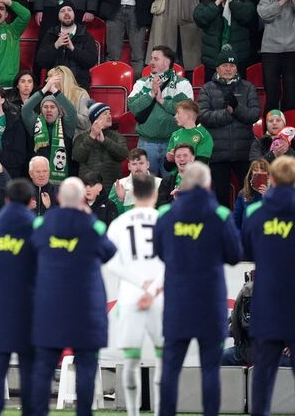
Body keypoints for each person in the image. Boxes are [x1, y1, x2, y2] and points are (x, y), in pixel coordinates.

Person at [153, 161, 243, 416]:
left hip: (177, 302)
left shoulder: (167, 215)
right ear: (207, 184)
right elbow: (235, 255)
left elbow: (159, 251)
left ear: (184, 185)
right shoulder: (220, 215)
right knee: (210, 370)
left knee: (170, 368)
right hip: (209, 302)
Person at [243, 155, 295, 416]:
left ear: (272, 179)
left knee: (263, 377)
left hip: (267, 305)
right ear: (294, 179)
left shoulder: (255, 214)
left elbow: (245, 249)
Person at [29, 176, 117, 416]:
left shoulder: (44, 223)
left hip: (51, 304)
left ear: (58, 198)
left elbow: (31, 250)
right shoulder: (92, 224)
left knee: (44, 365)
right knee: (86, 365)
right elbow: (109, 252)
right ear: (81, 199)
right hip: (85, 305)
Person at [105, 174, 164, 416]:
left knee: (131, 359)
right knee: (163, 358)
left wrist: (139, 283)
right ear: (155, 193)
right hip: (159, 295)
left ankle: (132, 413)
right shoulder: (164, 220)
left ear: (131, 193)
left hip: (130, 294)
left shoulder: (119, 223)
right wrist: (151, 288)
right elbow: (175, 261)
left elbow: (111, 262)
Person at [0, 178, 36, 416]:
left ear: (7, 199)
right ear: (30, 201)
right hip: (29, 305)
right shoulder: (37, 229)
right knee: (28, 366)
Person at [197, 46, 261, 206]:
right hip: (217, 154)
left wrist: (237, 109)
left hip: (244, 153)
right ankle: (223, 229)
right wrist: (227, 113)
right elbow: (203, 116)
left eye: (232, 65)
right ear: (217, 67)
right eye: (224, 65)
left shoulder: (248, 88)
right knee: (220, 198)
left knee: (250, 195)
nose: (228, 68)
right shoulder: (207, 88)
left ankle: (248, 227)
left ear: (237, 68)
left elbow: (255, 115)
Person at [128, 45, 193, 177]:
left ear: (167, 62)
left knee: (171, 188)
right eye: (151, 58)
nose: (151, 62)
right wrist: (151, 94)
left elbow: (187, 113)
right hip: (146, 144)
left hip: (174, 144)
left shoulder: (183, 84)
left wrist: (163, 101)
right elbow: (133, 107)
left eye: (155, 59)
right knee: (145, 189)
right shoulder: (141, 83)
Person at [194, 0, 258, 81]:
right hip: (213, 62)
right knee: (212, 96)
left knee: (239, 97)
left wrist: (232, 0)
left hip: (237, 61)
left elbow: (246, 16)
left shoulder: (245, 3)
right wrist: (217, 2)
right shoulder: (207, 4)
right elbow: (200, 19)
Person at [21, 75, 80, 184]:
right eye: (45, 107)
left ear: (59, 110)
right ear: (41, 109)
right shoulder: (35, 123)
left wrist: (54, 90)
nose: (49, 110)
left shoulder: (66, 125)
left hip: (61, 180)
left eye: (52, 107)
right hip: (37, 177)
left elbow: (72, 112)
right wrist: (44, 89)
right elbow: (26, 109)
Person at [34, 0, 98, 90]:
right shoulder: (51, 34)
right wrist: (56, 45)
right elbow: (41, 61)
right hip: (55, 86)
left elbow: (91, 61)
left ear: (74, 13)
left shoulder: (85, 35)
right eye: (62, 11)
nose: (66, 13)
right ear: (58, 16)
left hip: (79, 86)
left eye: (69, 10)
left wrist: (73, 49)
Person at [73, 101, 128, 190]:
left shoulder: (117, 136)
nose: (109, 116)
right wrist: (91, 137)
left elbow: (123, 155)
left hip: (112, 187)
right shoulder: (81, 138)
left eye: (110, 113)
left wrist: (104, 141)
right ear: (95, 118)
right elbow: (78, 157)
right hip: (89, 187)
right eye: (105, 114)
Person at [165, 99, 213, 168]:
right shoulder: (175, 135)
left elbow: (201, 164)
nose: (175, 116)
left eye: (178, 113)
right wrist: (170, 160)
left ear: (187, 115)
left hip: (194, 177)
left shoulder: (203, 135)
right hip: (176, 177)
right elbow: (167, 167)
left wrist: (179, 159)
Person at [232, 159, 269, 230]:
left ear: (269, 176)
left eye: (263, 170)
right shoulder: (243, 193)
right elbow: (236, 220)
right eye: (256, 170)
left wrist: (266, 197)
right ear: (251, 175)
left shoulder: (274, 194)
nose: (259, 173)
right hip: (247, 236)